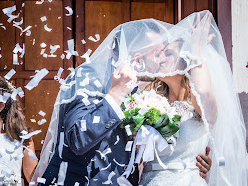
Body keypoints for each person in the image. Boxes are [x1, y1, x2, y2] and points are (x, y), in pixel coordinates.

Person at [32, 15, 212, 186]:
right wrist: (115, 95)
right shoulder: (89, 75)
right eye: (156, 53)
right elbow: (77, 138)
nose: (160, 60)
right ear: (137, 55)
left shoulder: (142, 91)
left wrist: (190, 164)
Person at [131, 11, 248, 185]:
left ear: (186, 62)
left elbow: (202, 91)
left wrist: (197, 49)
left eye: (169, 54)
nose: (160, 58)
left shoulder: (199, 104)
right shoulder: (147, 100)